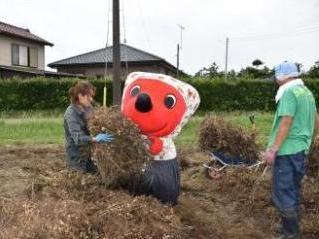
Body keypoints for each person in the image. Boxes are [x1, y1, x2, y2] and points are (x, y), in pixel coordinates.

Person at [264, 61, 318, 239]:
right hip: (301, 150)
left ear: (282, 76)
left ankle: (290, 234)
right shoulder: (307, 92)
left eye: (276, 77)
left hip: (286, 151)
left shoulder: (288, 92)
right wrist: (311, 138)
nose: (276, 81)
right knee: (293, 189)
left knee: (283, 192)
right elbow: (316, 119)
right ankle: (289, 228)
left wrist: (273, 149)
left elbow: (286, 121)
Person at [64, 81, 113, 173]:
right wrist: (95, 139)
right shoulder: (71, 113)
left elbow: (94, 124)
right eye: (89, 96)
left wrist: (103, 127)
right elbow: (78, 139)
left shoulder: (88, 108)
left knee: (96, 176)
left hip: (89, 153)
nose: (91, 99)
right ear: (80, 96)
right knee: (80, 180)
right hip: (76, 156)